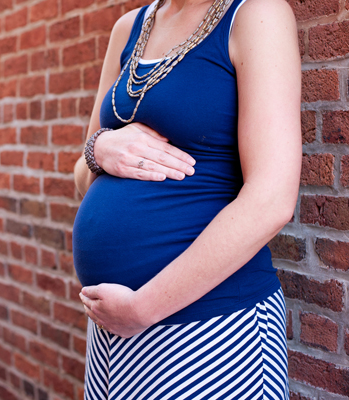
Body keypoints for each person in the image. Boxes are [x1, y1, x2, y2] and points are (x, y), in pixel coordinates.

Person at [72, 0, 301, 397]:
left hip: (211, 329)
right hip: (113, 331)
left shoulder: (255, 14)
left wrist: (144, 309)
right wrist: (101, 148)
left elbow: (273, 197)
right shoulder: (129, 28)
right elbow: (81, 176)